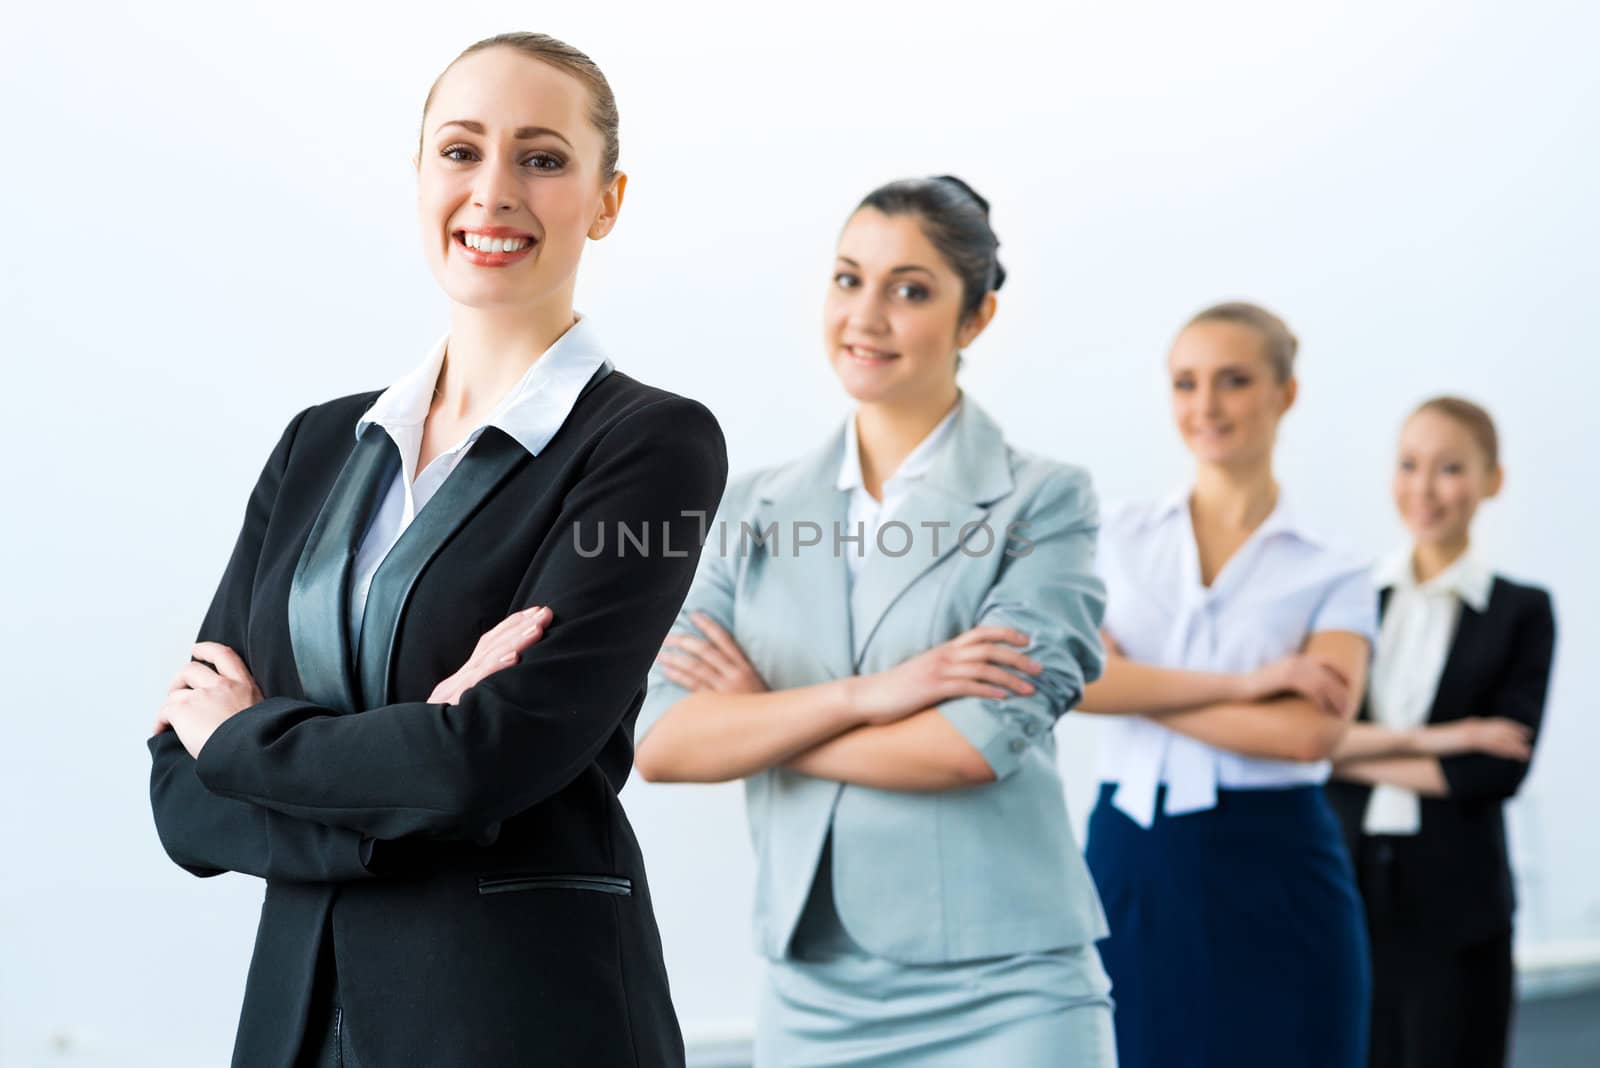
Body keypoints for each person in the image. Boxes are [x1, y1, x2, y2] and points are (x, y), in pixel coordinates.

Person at [146, 32, 727, 1068]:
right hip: (293, 1021)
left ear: (605, 200)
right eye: (460, 151)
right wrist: (414, 752)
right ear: (420, 175)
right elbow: (180, 797)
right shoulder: (319, 444)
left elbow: (488, 761)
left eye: (542, 159)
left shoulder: (654, 445)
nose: (493, 190)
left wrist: (251, 744)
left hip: (519, 1020)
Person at [632, 177, 1118, 1066]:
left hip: (1008, 989)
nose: (868, 314)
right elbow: (664, 742)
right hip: (811, 992)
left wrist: (766, 717)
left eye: (912, 288)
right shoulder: (751, 508)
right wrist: (874, 695)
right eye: (849, 279)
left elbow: (972, 747)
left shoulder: (1044, 502)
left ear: (976, 320)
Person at [1077, 301, 1376, 1068]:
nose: (1204, 406)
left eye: (1233, 381)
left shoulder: (1334, 564)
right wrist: (1252, 689)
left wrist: (1137, 685)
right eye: (1185, 383)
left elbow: (1312, 734)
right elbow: (1077, 680)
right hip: (1132, 859)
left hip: (1279, 862)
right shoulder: (1114, 537)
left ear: (1285, 393)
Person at [1326, 397, 1557, 1068]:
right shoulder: (1349, 596)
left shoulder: (1521, 611)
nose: (1423, 489)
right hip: (1346, 880)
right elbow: (1305, 741)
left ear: (1492, 481)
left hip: (1458, 897)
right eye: (1408, 465)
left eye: (1450, 468)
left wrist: (1345, 751)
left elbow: (1495, 773)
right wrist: (1451, 738)